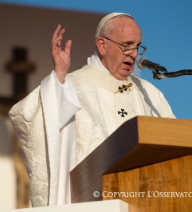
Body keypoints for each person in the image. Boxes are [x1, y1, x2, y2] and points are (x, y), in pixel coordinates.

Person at [9, 12, 175, 207]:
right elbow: (30, 117)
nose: (135, 54)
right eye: (127, 45)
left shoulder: (150, 94)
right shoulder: (71, 87)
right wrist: (58, 79)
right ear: (102, 45)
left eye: (138, 46)